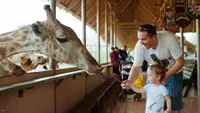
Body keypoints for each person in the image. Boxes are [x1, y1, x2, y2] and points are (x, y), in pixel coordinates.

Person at [121, 24, 184, 113]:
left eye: (144, 39)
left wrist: (166, 76)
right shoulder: (140, 45)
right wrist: (130, 81)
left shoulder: (169, 38)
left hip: (173, 71)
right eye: (139, 39)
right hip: (155, 74)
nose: (141, 42)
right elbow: (136, 67)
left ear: (154, 37)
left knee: (173, 105)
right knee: (153, 101)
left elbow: (180, 62)